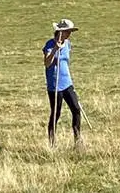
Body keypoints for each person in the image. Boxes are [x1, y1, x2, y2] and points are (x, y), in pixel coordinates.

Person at [43, 19, 83, 148]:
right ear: (60, 32)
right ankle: (52, 143)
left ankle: (77, 141)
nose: (69, 34)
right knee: (56, 113)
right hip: (55, 85)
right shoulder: (49, 44)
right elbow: (47, 63)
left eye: (70, 31)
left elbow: (65, 63)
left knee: (76, 109)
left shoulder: (68, 44)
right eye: (68, 31)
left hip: (67, 83)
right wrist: (55, 49)